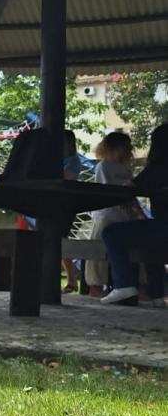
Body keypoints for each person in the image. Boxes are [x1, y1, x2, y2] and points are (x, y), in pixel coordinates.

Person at [101, 123, 168, 306]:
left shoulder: (158, 168)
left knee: (111, 233)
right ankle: (156, 294)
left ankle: (124, 285)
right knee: (149, 238)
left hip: (164, 227)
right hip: (161, 229)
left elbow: (129, 189)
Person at [85, 130, 137, 297]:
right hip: (106, 214)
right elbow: (106, 189)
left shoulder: (126, 168)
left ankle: (127, 283)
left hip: (123, 215)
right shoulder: (103, 166)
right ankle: (95, 285)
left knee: (126, 250)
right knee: (97, 250)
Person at [61, 129, 82, 293]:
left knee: (59, 239)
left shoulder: (72, 160)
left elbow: (68, 177)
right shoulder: (62, 160)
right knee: (57, 240)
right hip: (56, 202)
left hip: (65, 204)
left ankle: (71, 279)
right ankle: (71, 279)